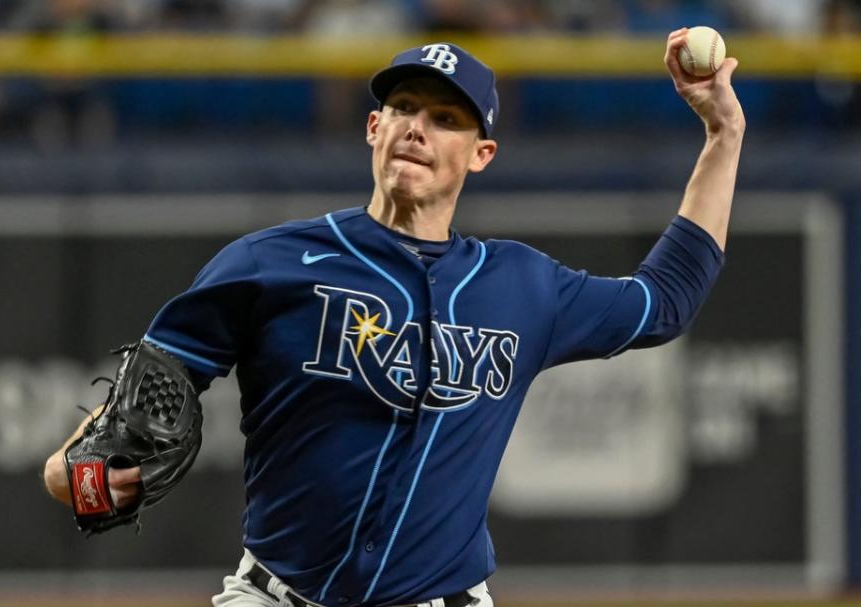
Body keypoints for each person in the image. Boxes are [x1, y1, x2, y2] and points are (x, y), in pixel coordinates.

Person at [44, 32, 744, 607]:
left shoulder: (525, 286)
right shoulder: (271, 262)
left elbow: (665, 299)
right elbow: (142, 391)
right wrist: (73, 473)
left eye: (446, 119)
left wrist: (723, 132)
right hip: (275, 595)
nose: (419, 127)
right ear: (374, 128)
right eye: (405, 107)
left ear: (481, 153)